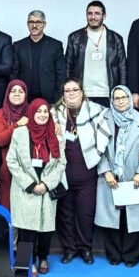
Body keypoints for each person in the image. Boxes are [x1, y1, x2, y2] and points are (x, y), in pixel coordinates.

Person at [96, 86, 139, 267]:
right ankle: (113, 255)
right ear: (112, 100)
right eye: (117, 98)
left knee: (133, 220)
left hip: (134, 179)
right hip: (111, 178)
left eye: (124, 97)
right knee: (112, 219)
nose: (121, 101)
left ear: (130, 99)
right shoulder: (103, 120)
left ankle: (131, 256)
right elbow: (97, 149)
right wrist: (105, 171)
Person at [52, 78, 111, 265]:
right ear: (63, 95)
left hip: (87, 174)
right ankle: (69, 249)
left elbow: (104, 136)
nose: (71, 93)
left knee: (86, 214)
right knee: (65, 215)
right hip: (63, 175)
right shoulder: (55, 113)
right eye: (67, 91)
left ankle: (86, 249)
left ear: (82, 92)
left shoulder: (96, 111)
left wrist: (96, 154)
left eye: (74, 90)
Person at [7, 98, 66, 277]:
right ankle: (28, 261)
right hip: (25, 189)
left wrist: (46, 184)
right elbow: (11, 161)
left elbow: (61, 162)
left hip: (47, 187)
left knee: (45, 227)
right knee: (27, 229)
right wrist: (31, 184)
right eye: (38, 111)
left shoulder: (55, 133)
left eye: (45, 112)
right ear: (31, 113)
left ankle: (43, 257)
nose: (42, 115)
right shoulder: (20, 133)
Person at [65, 1, 127, 107]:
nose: (93, 17)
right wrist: (67, 92)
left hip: (107, 94)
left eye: (97, 13)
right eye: (90, 13)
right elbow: (67, 66)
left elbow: (122, 68)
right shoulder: (74, 38)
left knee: (107, 124)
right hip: (81, 94)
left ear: (104, 16)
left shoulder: (116, 39)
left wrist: (122, 93)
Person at [12, 10, 66, 104]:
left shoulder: (55, 45)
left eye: (38, 22)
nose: (34, 25)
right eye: (31, 22)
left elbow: (61, 73)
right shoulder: (18, 46)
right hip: (25, 97)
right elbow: (14, 73)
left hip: (49, 97)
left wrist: (58, 96)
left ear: (44, 24)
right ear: (27, 24)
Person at [0, 80, 30, 210]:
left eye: (21, 91)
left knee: (26, 207)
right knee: (7, 207)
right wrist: (17, 125)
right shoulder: (0, 114)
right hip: (6, 168)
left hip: (29, 169)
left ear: (26, 94)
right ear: (7, 94)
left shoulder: (33, 111)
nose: (17, 94)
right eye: (13, 91)